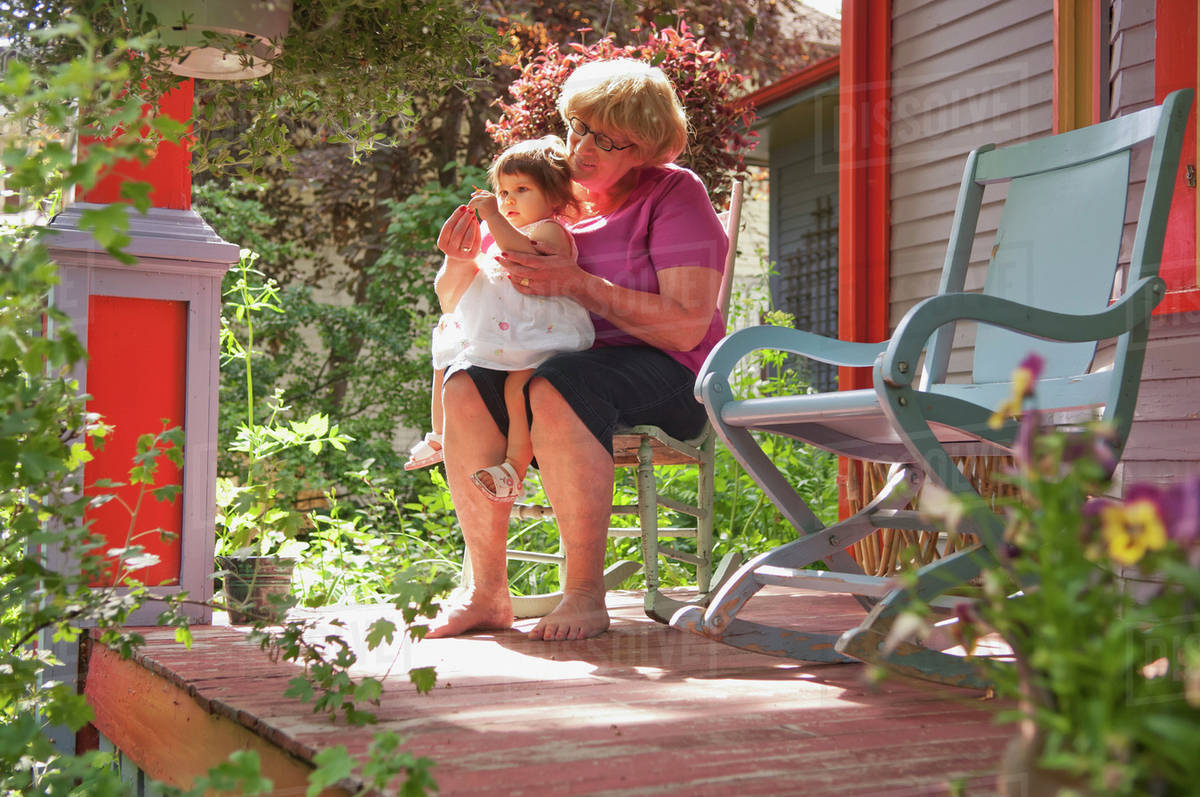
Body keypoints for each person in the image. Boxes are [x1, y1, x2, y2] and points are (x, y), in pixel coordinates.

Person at [428, 58, 728, 641]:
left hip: (667, 373)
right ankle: (487, 593)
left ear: (646, 149)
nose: (581, 147)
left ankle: (586, 593)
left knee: (562, 382)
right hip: (551, 366)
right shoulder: (544, 194)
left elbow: (688, 326)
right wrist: (458, 259)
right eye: (578, 128)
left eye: (606, 139)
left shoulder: (673, 193)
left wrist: (578, 283)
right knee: (464, 382)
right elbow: (465, 300)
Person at [405, 137, 594, 501]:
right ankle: (439, 435)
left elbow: (524, 256)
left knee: (517, 389)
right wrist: (464, 255)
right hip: (503, 330)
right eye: (503, 192)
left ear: (554, 196)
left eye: (521, 189)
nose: (508, 201)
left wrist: (491, 216)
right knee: (447, 355)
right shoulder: (498, 233)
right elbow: (473, 278)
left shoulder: (550, 229)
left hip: (538, 332)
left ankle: (513, 467)